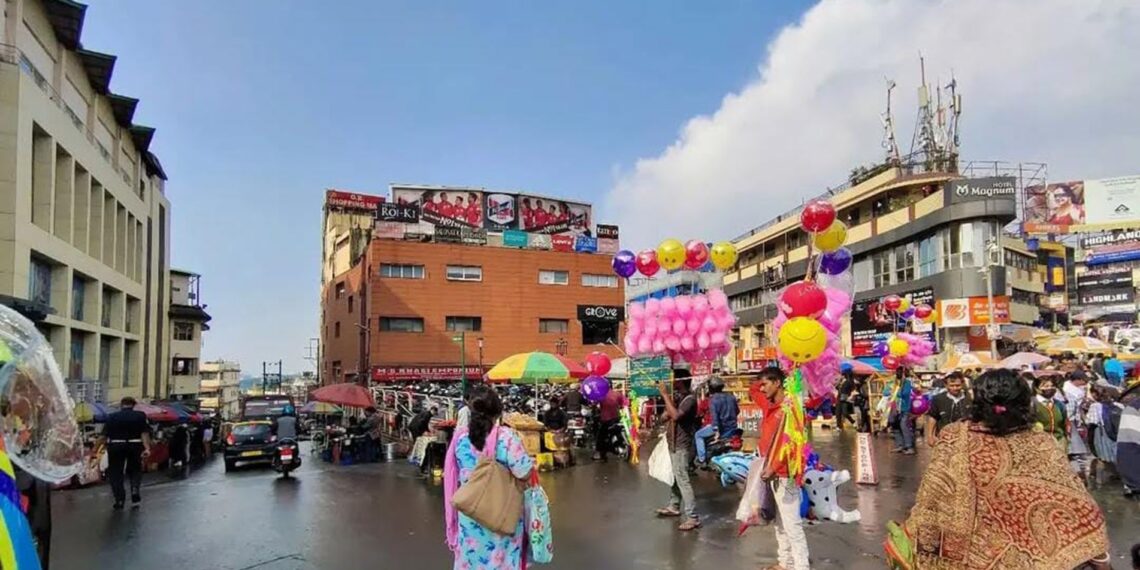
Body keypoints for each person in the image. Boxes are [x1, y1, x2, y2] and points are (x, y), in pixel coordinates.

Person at [899, 369, 1110, 569]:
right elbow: (1077, 504)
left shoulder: (955, 436)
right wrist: (1099, 557)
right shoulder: (1040, 442)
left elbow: (932, 501)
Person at [443, 385, 534, 570]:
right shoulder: (506, 437)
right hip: (500, 512)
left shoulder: (460, 438)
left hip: (470, 510)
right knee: (501, 561)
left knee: (471, 561)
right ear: (498, 412)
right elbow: (523, 472)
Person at [755, 367, 810, 570]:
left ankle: (802, 566)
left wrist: (774, 466)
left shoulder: (791, 408)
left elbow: (794, 444)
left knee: (792, 524)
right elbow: (753, 391)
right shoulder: (770, 406)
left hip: (784, 474)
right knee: (779, 523)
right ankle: (784, 562)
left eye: (766, 384)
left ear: (777, 383)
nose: (761, 389)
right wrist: (762, 378)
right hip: (769, 472)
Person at [654, 377, 700, 531]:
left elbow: (676, 416)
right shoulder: (678, 398)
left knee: (682, 479)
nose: (672, 384)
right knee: (675, 476)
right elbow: (664, 417)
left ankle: (692, 517)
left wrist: (665, 396)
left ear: (681, 382)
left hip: (682, 444)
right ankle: (674, 505)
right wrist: (668, 404)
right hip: (672, 443)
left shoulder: (689, 400)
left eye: (675, 381)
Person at [102, 397, 152, 510]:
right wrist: (147, 448)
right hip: (135, 444)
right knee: (135, 469)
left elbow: (103, 435)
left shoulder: (112, 416)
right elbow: (144, 433)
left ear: (121, 404)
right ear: (133, 405)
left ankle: (119, 499)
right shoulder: (140, 415)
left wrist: (95, 449)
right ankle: (134, 489)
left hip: (116, 445)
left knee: (115, 473)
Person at [695, 377, 739, 464]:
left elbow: (715, 418)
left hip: (720, 428)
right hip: (732, 428)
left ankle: (701, 459)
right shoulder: (731, 397)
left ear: (711, 388)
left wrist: (716, 431)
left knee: (698, 435)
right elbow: (737, 411)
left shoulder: (713, 400)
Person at [924, 372, 972, 446]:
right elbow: (933, 417)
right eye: (952, 386)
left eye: (957, 385)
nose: (955, 388)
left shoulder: (969, 399)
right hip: (943, 440)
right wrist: (930, 436)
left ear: (962, 384)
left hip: (965, 439)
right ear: (946, 385)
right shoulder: (938, 399)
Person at [1064, 370, 1094, 480]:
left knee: (1075, 450)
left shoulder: (1079, 389)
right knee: (1076, 450)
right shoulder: (1068, 391)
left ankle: (1080, 474)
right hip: (1070, 422)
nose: (1084, 383)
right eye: (1083, 381)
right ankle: (1080, 475)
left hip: (1075, 421)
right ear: (1078, 380)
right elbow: (1070, 411)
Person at [884, 368, 916, 454]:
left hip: (904, 408)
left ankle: (909, 447)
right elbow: (885, 392)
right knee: (894, 425)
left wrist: (896, 391)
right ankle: (900, 445)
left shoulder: (907, 383)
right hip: (893, 407)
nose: (898, 373)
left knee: (904, 426)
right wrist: (891, 391)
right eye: (897, 371)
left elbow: (905, 393)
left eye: (900, 372)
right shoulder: (891, 382)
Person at [1033, 376, 1068, 450]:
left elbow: (1064, 423)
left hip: (1059, 442)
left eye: (1052, 386)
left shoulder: (1059, 404)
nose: (1050, 388)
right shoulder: (1032, 404)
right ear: (1037, 388)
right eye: (1046, 386)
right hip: (1039, 444)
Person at [594, 388, 627, 462]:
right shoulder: (617, 394)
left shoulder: (601, 394)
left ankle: (600, 453)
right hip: (616, 418)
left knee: (601, 436)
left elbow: (594, 403)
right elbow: (625, 403)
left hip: (606, 419)